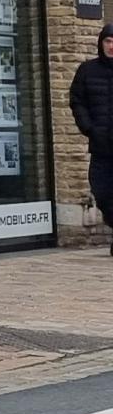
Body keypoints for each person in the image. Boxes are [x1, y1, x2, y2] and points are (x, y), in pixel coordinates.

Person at [69, 22, 113, 254]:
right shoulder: (87, 70)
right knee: (102, 192)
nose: (111, 46)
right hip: (101, 145)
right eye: (108, 41)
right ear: (101, 43)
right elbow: (77, 101)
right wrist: (88, 127)